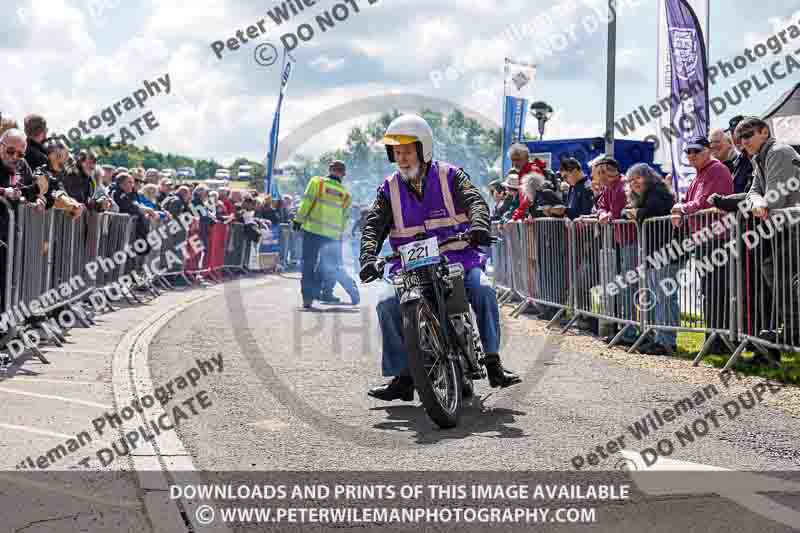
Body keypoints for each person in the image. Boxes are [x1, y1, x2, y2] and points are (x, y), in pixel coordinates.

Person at [359, 114, 520, 401]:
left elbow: (475, 201)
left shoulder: (450, 175)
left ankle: (493, 363)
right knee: (385, 304)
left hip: (458, 259)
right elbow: (373, 225)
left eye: (407, 151)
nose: (402, 158)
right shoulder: (389, 188)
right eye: (397, 153)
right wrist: (368, 256)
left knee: (483, 291)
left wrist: (480, 227)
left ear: (424, 149)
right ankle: (404, 376)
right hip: (409, 266)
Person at [738, 117, 800, 349]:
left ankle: (793, 331)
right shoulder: (759, 158)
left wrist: (762, 202)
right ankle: (792, 332)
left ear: (764, 131)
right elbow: (753, 192)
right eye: (740, 138)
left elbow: (775, 197)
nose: (743, 142)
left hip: (792, 224)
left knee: (789, 280)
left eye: (748, 135)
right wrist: (758, 201)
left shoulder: (778, 151)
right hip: (782, 225)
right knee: (778, 277)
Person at [671, 136, 734, 354]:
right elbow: (691, 201)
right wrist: (682, 207)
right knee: (710, 290)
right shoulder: (700, 174)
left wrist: (681, 208)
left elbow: (705, 202)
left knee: (716, 291)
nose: (691, 155)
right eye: (688, 152)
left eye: (696, 151)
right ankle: (714, 339)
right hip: (704, 239)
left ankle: (718, 341)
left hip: (716, 238)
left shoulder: (716, 169)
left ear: (708, 151)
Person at [622, 163, 678, 355]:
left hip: (667, 252)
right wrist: (633, 212)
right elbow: (626, 211)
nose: (634, 183)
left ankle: (667, 341)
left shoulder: (656, 192)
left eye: (638, 177)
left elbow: (653, 211)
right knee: (657, 296)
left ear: (648, 177)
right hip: (653, 253)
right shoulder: (642, 196)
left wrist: (636, 213)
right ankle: (659, 337)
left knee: (665, 297)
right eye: (631, 180)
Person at [294, 160, 359, 308]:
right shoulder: (346, 194)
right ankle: (317, 291)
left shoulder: (317, 182)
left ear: (329, 170)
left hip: (312, 231)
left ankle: (307, 298)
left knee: (308, 263)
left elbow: (306, 202)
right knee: (325, 266)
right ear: (343, 174)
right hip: (331, 236)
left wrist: (298, 220)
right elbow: (345, 218)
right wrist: (341, 235)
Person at [595, 155, 640, 346]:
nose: (599, 176)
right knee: (624, 286)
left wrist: (609, 214)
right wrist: (603, 213)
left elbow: (626, 209)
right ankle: (626, 329)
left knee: (630, 286)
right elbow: (601, 206)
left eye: (601, 172)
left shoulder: (624, 186)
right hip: (621, 241)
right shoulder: (608, 188)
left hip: (633, 240)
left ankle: (631, 331)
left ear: (609, 171)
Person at [710, 128, 753, 194]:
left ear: (730, 143)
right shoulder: (709, 171)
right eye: (711, 142)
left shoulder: (748, 162)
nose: (712, 145)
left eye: (717, 141)